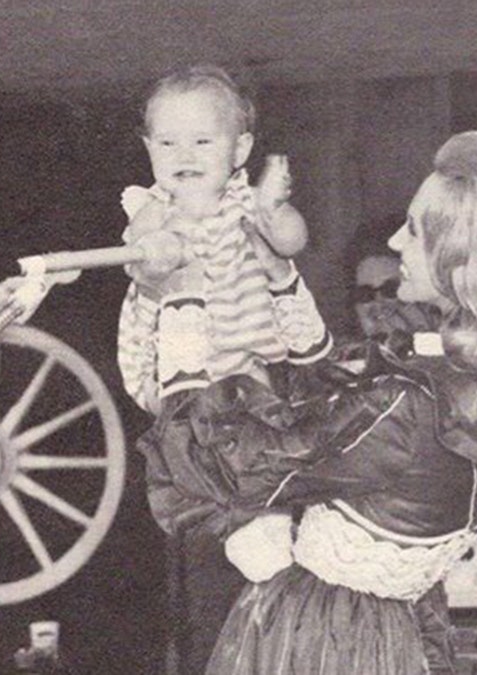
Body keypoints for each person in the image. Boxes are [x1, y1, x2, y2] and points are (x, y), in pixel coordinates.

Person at [191, 130, 477, 673]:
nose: (397, 242)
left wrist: (184, 336)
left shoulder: (410, 404)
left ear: (464, 263)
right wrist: (282, 280)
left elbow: (238, 468)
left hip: (320, 641)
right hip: (395, 636)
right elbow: (341, 407)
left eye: (415, 230)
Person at [117, 64, 333, 675]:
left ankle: (269, 559)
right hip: (196, 375)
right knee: (210, 470)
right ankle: (250, 551)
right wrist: (155, 243)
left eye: (202, 142)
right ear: (148, 150)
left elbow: (291, 241)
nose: (183, 155)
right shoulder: (152, 205)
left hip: (257, 375)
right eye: (167, 142)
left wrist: (274, 210)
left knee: (268, 464)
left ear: (239, 150)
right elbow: (143, 248)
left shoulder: (244, 201)